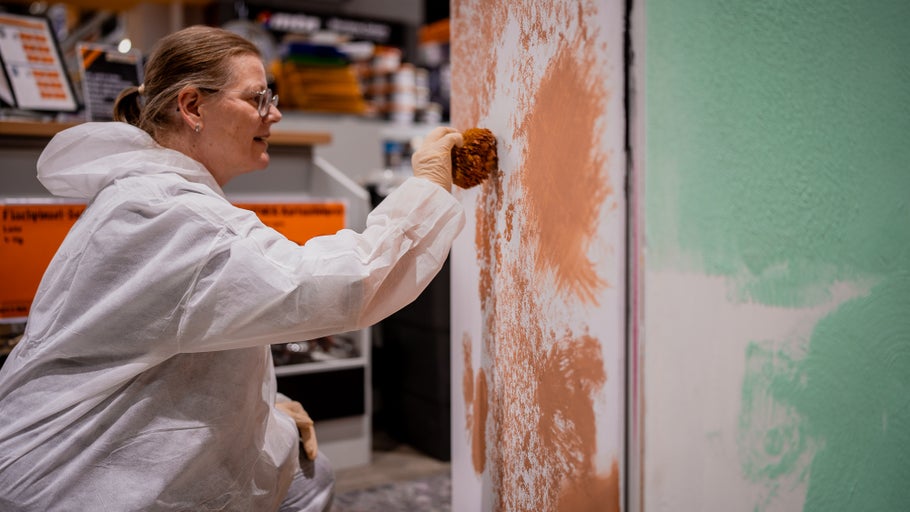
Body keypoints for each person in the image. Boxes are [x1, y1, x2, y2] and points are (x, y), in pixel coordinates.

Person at [0, 25, 464, 511]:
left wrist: (265, 409)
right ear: (192, 106)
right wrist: (428, 187)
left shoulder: (151, 196)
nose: (274, 114)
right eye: (258, 99)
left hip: (75, 455)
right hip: (70, 478)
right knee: (306, 482)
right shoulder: (171, 215)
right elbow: (342, 284)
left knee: (308, 477)